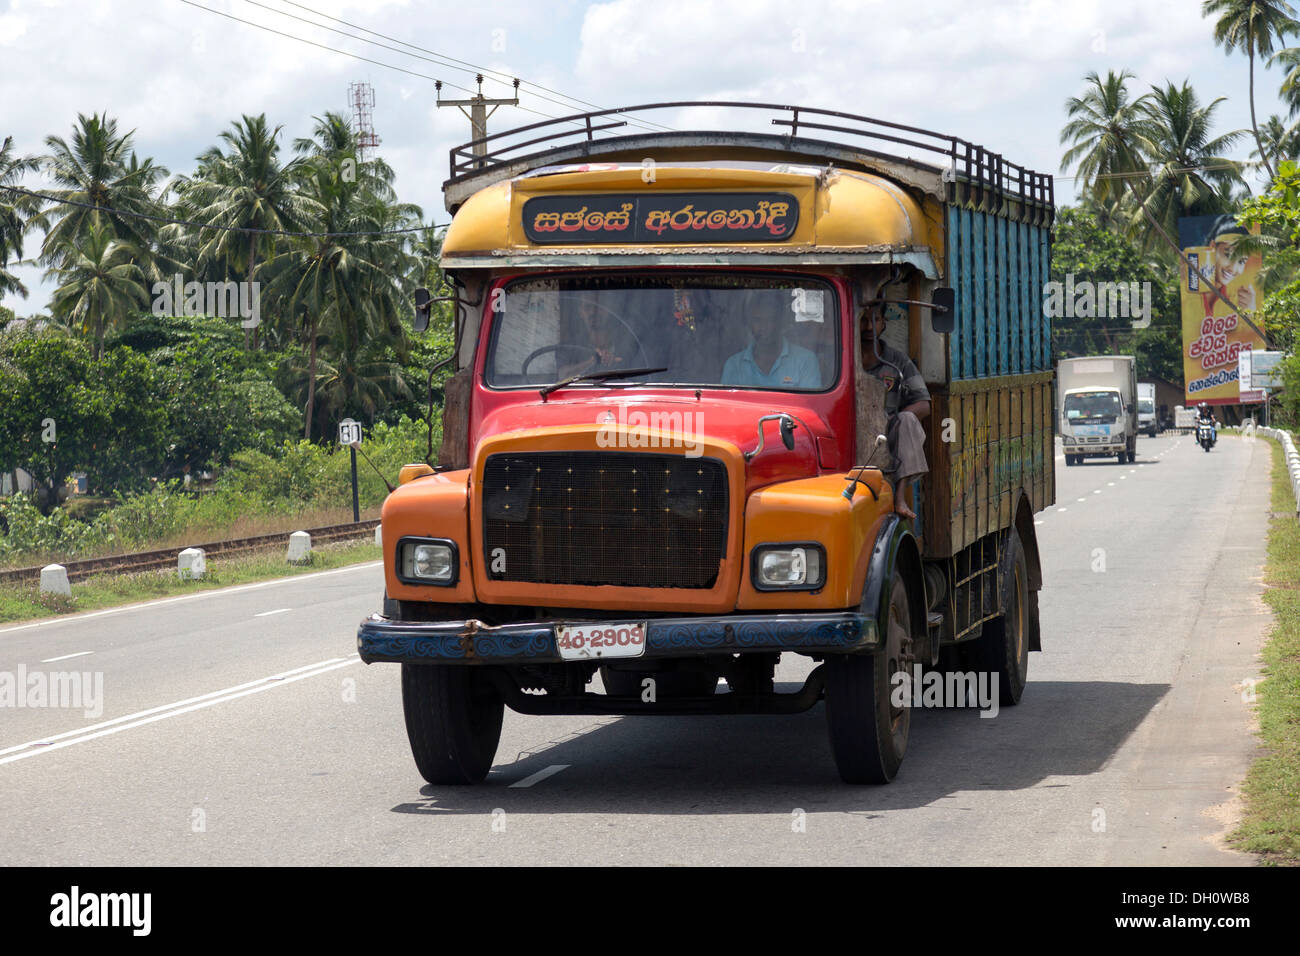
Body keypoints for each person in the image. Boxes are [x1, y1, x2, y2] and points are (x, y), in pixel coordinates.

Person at [861, 305, 930, 519]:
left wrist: (890, 422)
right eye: (863, 320)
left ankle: (900, 498)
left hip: (886, 435)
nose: (869, 326)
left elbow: (923, 403)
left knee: (907, 420)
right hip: (852, 428)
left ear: (884, 323)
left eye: (876, 319)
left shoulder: (898, 361)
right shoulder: (842, 355)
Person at [720, 290, 821, 389]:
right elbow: (728, 403)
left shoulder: (805, 361)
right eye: (757, 320)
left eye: (770, 319)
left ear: (780, 322)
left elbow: (808, 404)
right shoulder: (734, 365)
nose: (764, 327)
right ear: (749, 324)